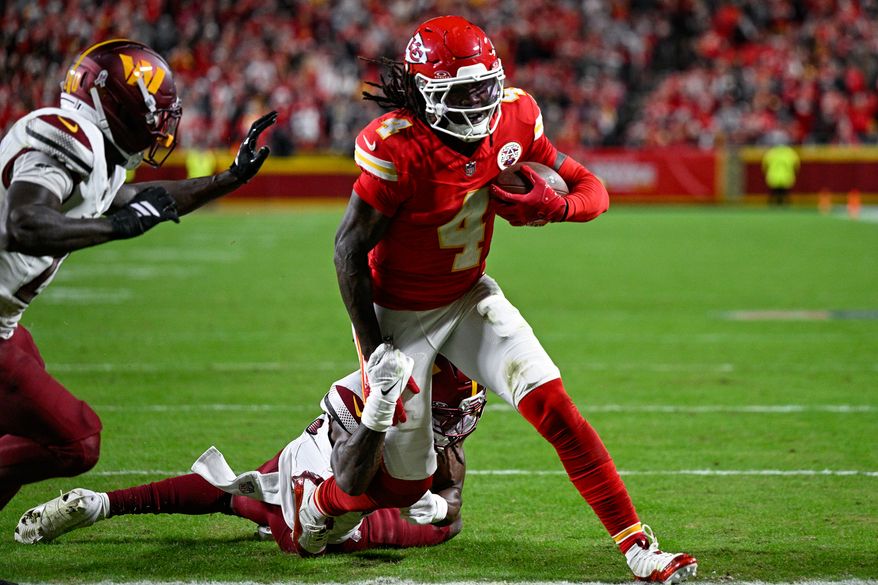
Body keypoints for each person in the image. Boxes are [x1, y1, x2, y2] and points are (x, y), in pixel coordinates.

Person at [324, 15, 697, 583]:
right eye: (462, 93)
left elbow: (593, 190)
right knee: (404, 482)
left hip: (468, 296)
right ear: (426, 93)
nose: (478, 104)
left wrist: (555, 207)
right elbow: (347, 250)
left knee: (554, 405)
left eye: (484, 88)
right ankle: (314, 499)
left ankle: (639, 548)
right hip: (398, 314)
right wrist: (375, 350)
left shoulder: (516, 117)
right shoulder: (397, 147)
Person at [0, 39, 277, 512]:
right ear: (120, 104)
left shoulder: (94, 149)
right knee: (76, 441)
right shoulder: (67, 134)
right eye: (155, 113)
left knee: (30, 409)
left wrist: (230, 178)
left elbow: (148, 202)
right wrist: (116, 227)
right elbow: (24, 222)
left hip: (8, 323)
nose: (160, 126)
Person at [14, 356, 486, 555]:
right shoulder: (367, 389)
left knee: (450, 526)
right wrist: (380, 419)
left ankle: (100, 504)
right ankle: (283, 509)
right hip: (323, 468)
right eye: (440, 412)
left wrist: (439, 506)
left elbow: (453, 492)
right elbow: (350, 475)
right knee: (309, 537)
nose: (447, 424)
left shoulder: (456, 404)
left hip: (334, 483)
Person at [762, 134, 800, 206]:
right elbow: (796, 165)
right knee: (785, 194)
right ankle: (785, 205)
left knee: (774, 194)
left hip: (773, 176)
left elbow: (765, 165)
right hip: (787, 176)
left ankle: (772, 205)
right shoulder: (790, 152)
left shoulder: (771, 152)